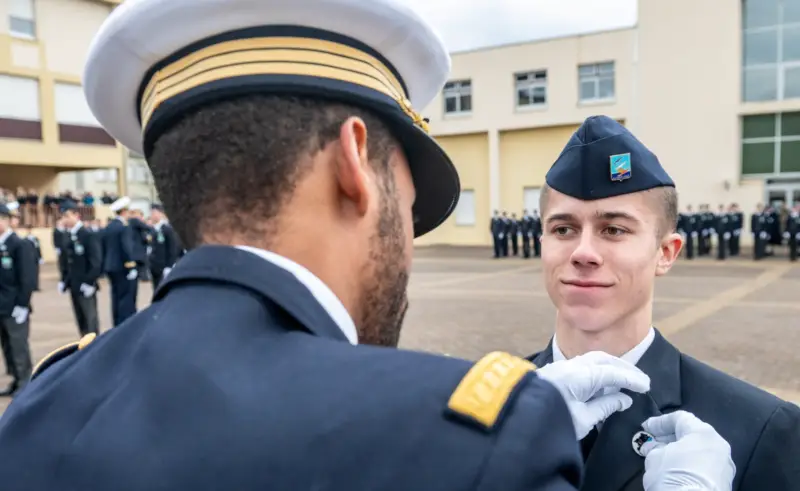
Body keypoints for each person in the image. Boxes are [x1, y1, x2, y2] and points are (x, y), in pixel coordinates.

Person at [0, 2, 735, 490]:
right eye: (408, 206)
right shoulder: (468, 440)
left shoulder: (40, 409)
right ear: (356, 164)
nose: (408, 244)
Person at [528, 116, 800, 491]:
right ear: (542, 243)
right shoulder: (475, 410)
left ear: (666, 253)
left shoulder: (762, 429)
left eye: (614, 229)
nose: (583, 252)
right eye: (563, 229)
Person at [0, 203, 35, 397]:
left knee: (18, 345)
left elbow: (27, 278)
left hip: (15, 306)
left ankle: (25, 382)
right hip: (2, 305)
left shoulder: (19, 244)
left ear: (5, 220)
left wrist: (22, 304)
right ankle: (15, 378)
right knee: (7, 346)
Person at [57, 201, 102, 336]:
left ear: (76, 215)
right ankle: (84, 345)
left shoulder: (87, 235)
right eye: (63, 216)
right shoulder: (66, 235)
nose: (65, 219)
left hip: (86, 284)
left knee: (90, 321)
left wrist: (90, 282)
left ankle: (94, 347)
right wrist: (64, 280)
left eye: (67, 216)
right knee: (81, 321)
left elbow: (96, 261)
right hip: (74, 284)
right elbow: (66, 261)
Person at [101, 196, 138, 326]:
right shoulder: (123, 227)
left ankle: (116, 322)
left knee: (115, 296)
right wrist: (131, 266)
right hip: (123, 266)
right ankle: (125, 323)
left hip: (111, 266)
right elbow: (126, 247)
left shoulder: (109, 227)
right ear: (124, 212)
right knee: (126, 297)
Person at [148, 204, 180, 292]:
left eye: (154, 213)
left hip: (163, 266)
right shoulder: (153, 229)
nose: (152, 215)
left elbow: (172, 248)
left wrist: (169, 266)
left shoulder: (167, 229)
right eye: (151, 213)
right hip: (154, 266)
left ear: (161, 213)